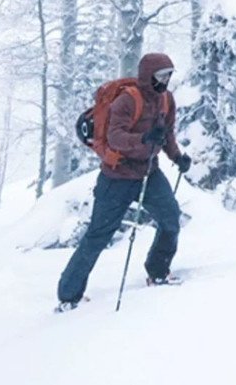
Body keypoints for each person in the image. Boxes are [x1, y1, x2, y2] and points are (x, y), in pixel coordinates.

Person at [56, 53, 191, 310]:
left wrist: (178, 158)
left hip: (149, 173)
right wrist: (142, 139)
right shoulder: (127, 100)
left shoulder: (166, 100)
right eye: (161, 76)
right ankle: (68, 295)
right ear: (147, 75)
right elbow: (114, 136)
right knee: (98, 236)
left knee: (170, 218)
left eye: (168, 75)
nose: (165, 81)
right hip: (116, 177)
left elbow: (167, 135)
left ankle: (158, 271)